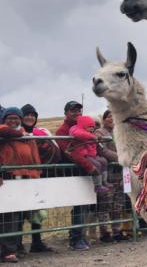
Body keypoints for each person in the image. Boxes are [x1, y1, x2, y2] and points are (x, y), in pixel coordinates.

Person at [0, 107, 42, 262]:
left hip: (24, 178)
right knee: (7, 216)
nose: (13, 121)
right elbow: (5, 130)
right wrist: (20, 134)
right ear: (4, 119)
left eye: (16, 118)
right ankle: (8, 250)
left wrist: (36, 174)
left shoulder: (28, 137)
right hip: (8, 178)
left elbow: (35, 157)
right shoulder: (4, 132)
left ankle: (14, 247)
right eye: (9, 118)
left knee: (17, 216)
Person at [17, 104, 55, 254]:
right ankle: (17, 244)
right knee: (18, 211)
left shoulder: (37, 136)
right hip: (18, 177)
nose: (30, 117)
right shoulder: (15, 134)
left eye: (33, 115)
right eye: (27, 114)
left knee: (37, 211)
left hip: (35, 176)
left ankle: (36, 242)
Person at [54, 101, 89, 251]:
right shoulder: (62, 130)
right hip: (73, 172)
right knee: (80, 205)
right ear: (66, 113)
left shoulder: (83, 127)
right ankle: (76, 238)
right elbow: (68, 151)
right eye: (73, 110)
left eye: (79, 111)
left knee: (85, 205)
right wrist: (88, 161)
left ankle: (79, 235)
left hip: (85, 169)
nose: (76, 113)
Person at [94, 110, 129, 241]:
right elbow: (102, 150)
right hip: (107, 174)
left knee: (118, 204)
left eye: (114, 116)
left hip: (121, 173)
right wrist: (121, 158)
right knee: (105, 203)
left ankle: (117, 231)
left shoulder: (121, 133)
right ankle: (104, 232)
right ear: (103, 119)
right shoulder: (99, 133)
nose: (112, 119)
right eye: (109, 117)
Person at [69, 115, 111, 193]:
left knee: (104, 161)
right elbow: (80, 134)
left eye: (93, 126)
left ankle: (104, 181)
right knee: (97, 165)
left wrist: (94, 136)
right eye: (90, 126)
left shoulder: (90, 133)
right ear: (84, 125)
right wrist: (92, 136)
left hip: (92, 154)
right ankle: (98, 185)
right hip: (83, 155)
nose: (92, 128)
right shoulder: (76, 130)